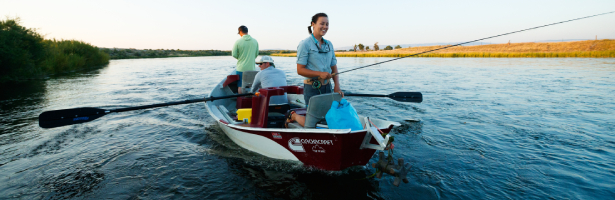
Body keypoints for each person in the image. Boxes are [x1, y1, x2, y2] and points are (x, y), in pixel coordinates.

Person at [287, 13, 343, 127]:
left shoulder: (329, 44)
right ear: (313, 24)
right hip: (312, 88)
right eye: (322, 23)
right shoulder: (305, 44)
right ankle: (294, 116)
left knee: (328, 119)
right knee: (312, 125)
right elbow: (300, 70)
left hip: (328, 87)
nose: (325, 27)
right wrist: (319, 74)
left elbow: (334, 67)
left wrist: (337, 85)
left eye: (327, 24)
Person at [232, 25, 259, 94]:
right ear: (247, 31)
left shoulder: (238, 41)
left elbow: (234, 54)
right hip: (252, 68)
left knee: (240, 86)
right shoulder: (255, 41)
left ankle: (241, 100)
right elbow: (256, 54)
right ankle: (250, 100)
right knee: (250, 86)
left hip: (241, 68)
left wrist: (241, 58)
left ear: (240, 32)